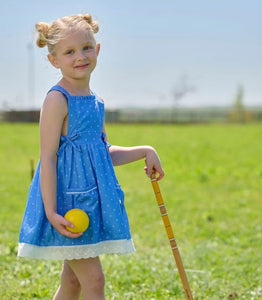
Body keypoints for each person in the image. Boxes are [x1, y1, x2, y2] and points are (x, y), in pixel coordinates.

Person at [18, 14, 164, 300]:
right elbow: (47, 158)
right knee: (94, 281)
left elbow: (103, 153)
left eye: (86, 47)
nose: (80, 57)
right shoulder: (57, 99)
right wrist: (50, 212)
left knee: (73, 283)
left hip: (90, 203)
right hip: (66, 205)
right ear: (54, 60)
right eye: (69, 52)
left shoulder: (96, 102)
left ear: (97, 50)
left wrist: (145, 151)